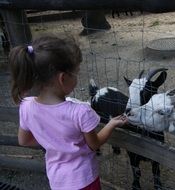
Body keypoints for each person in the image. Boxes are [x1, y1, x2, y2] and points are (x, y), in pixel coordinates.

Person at [9, 35, 128, 190]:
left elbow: (24, 141)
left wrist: (52, 142)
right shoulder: (80, 112)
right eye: (76, 72)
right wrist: (111, 124)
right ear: (63, 78)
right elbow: (94, 144)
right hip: (84, 179)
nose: (77, 77)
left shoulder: (26, 106)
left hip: (57, 180)